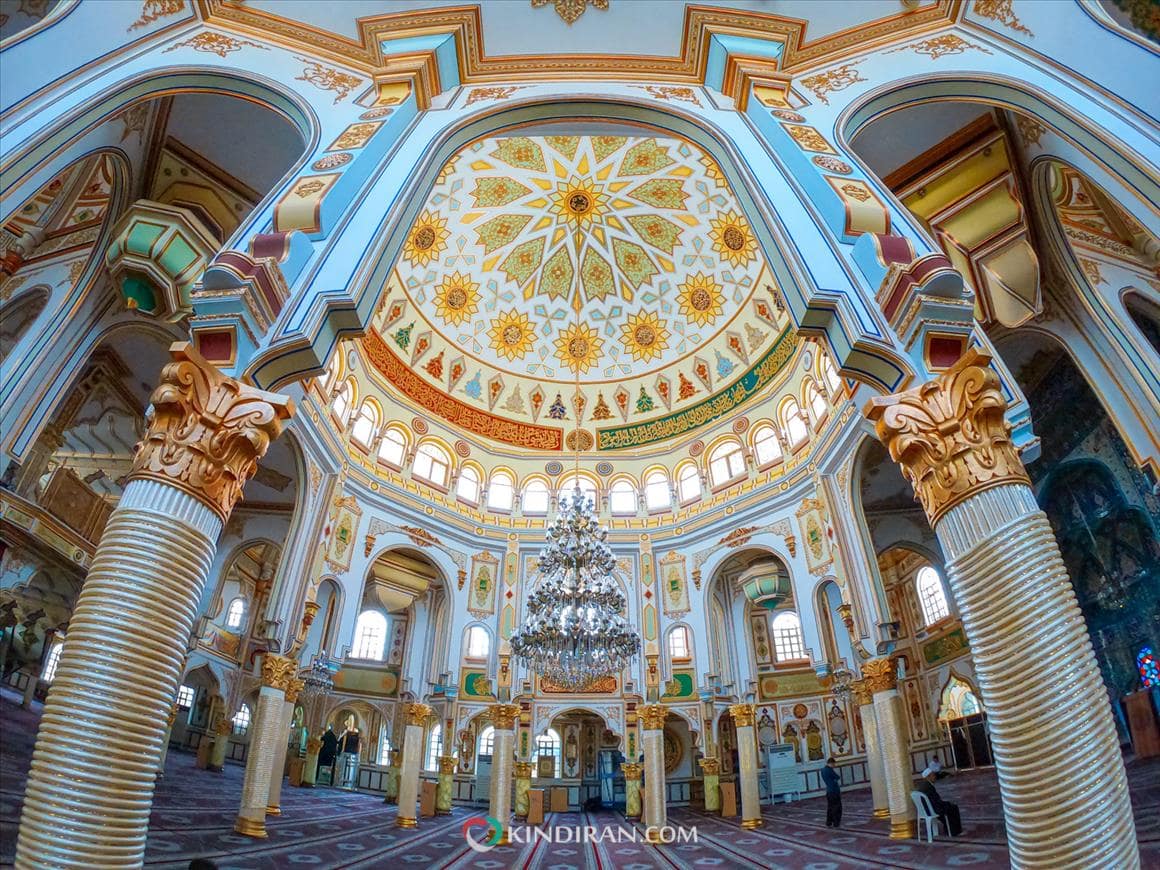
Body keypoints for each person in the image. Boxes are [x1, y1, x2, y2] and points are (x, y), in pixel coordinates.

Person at [916, 765, 963, 836]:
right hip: (932, 810)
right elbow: (937, 801)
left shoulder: (923, 785)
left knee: (949, 807)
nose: (934, 777)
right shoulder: (929, 787)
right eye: (933, 775)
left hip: (925, 810)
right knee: (953, 808)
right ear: (928, 777)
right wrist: (947, 804)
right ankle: (954, 831)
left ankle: (948, 828)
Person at [820, 757, 841, 828]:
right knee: (837, 807)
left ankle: (828, 822)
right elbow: (837, 777)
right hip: (834, 791)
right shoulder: (829, 770)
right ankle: (836, 823)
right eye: (834, 764)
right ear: (831, 763)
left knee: (830, 807)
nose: (834, 766)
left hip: (828, 791)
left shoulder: (823, 770)